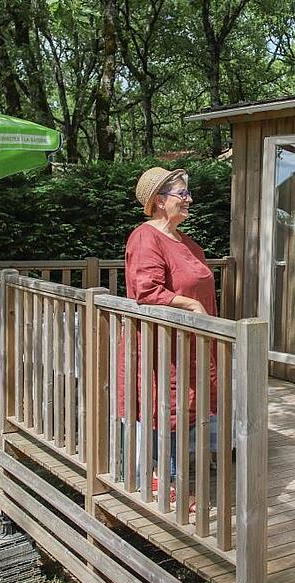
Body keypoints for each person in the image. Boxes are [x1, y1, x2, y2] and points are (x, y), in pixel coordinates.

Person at [119, 166, 218, 481]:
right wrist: (191, 304)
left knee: (187, 408)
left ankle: (172, 480)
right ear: (160, 200)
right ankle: (164, 484)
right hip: (164, 345)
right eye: (182, 193)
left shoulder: (188, 243)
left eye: (188, 192)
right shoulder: (145, 237)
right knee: (167, 408)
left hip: (191, 344)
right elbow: (147, 289)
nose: (189, 199)